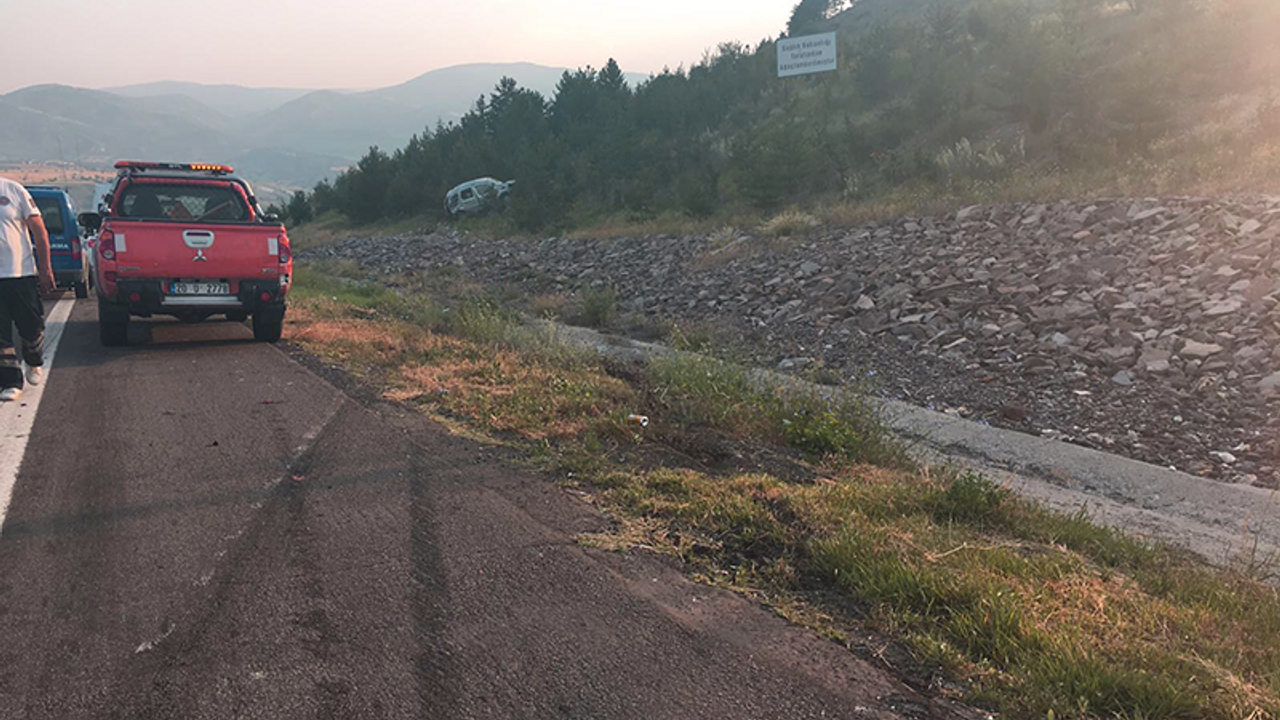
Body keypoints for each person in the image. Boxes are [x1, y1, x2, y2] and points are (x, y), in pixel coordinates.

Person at [0, 176, 55, 402]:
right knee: (0, 334)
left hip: (20, 274)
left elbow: (39, 231)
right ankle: (10, 381)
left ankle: (33, 360)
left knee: (31, 326)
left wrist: (45, 269)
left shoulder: (13, 190)